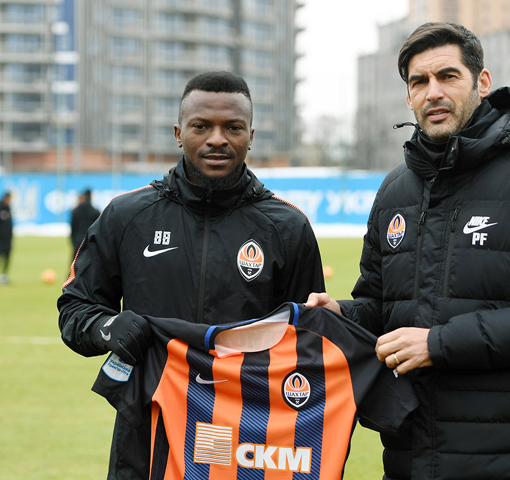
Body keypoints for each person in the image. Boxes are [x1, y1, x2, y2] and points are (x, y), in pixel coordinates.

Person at [305, 22, 510, 480]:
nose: (433, 92)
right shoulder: (395, 191)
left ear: (482, 82)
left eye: (448, 76)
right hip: (410, 455)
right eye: (419, 82)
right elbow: (382, 305)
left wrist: (438, 344)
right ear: (408, 97)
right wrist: (342, 315)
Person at [57, 71, 326, 480]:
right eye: (202, 126)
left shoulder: (287, 227)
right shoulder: (126, 217)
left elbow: (309, 340)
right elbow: (76, 308)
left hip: (247, 433)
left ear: (250, 136)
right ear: (179, 134)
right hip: (148, 432)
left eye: (233, 127)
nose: (217, 139)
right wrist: (107, 328)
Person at [69, 188, 100, 261]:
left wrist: (73, 241)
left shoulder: (75, 211)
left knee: (75, 263)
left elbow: (73, 227)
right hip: (90, 241)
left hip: (77, 240)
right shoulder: (95, 212)